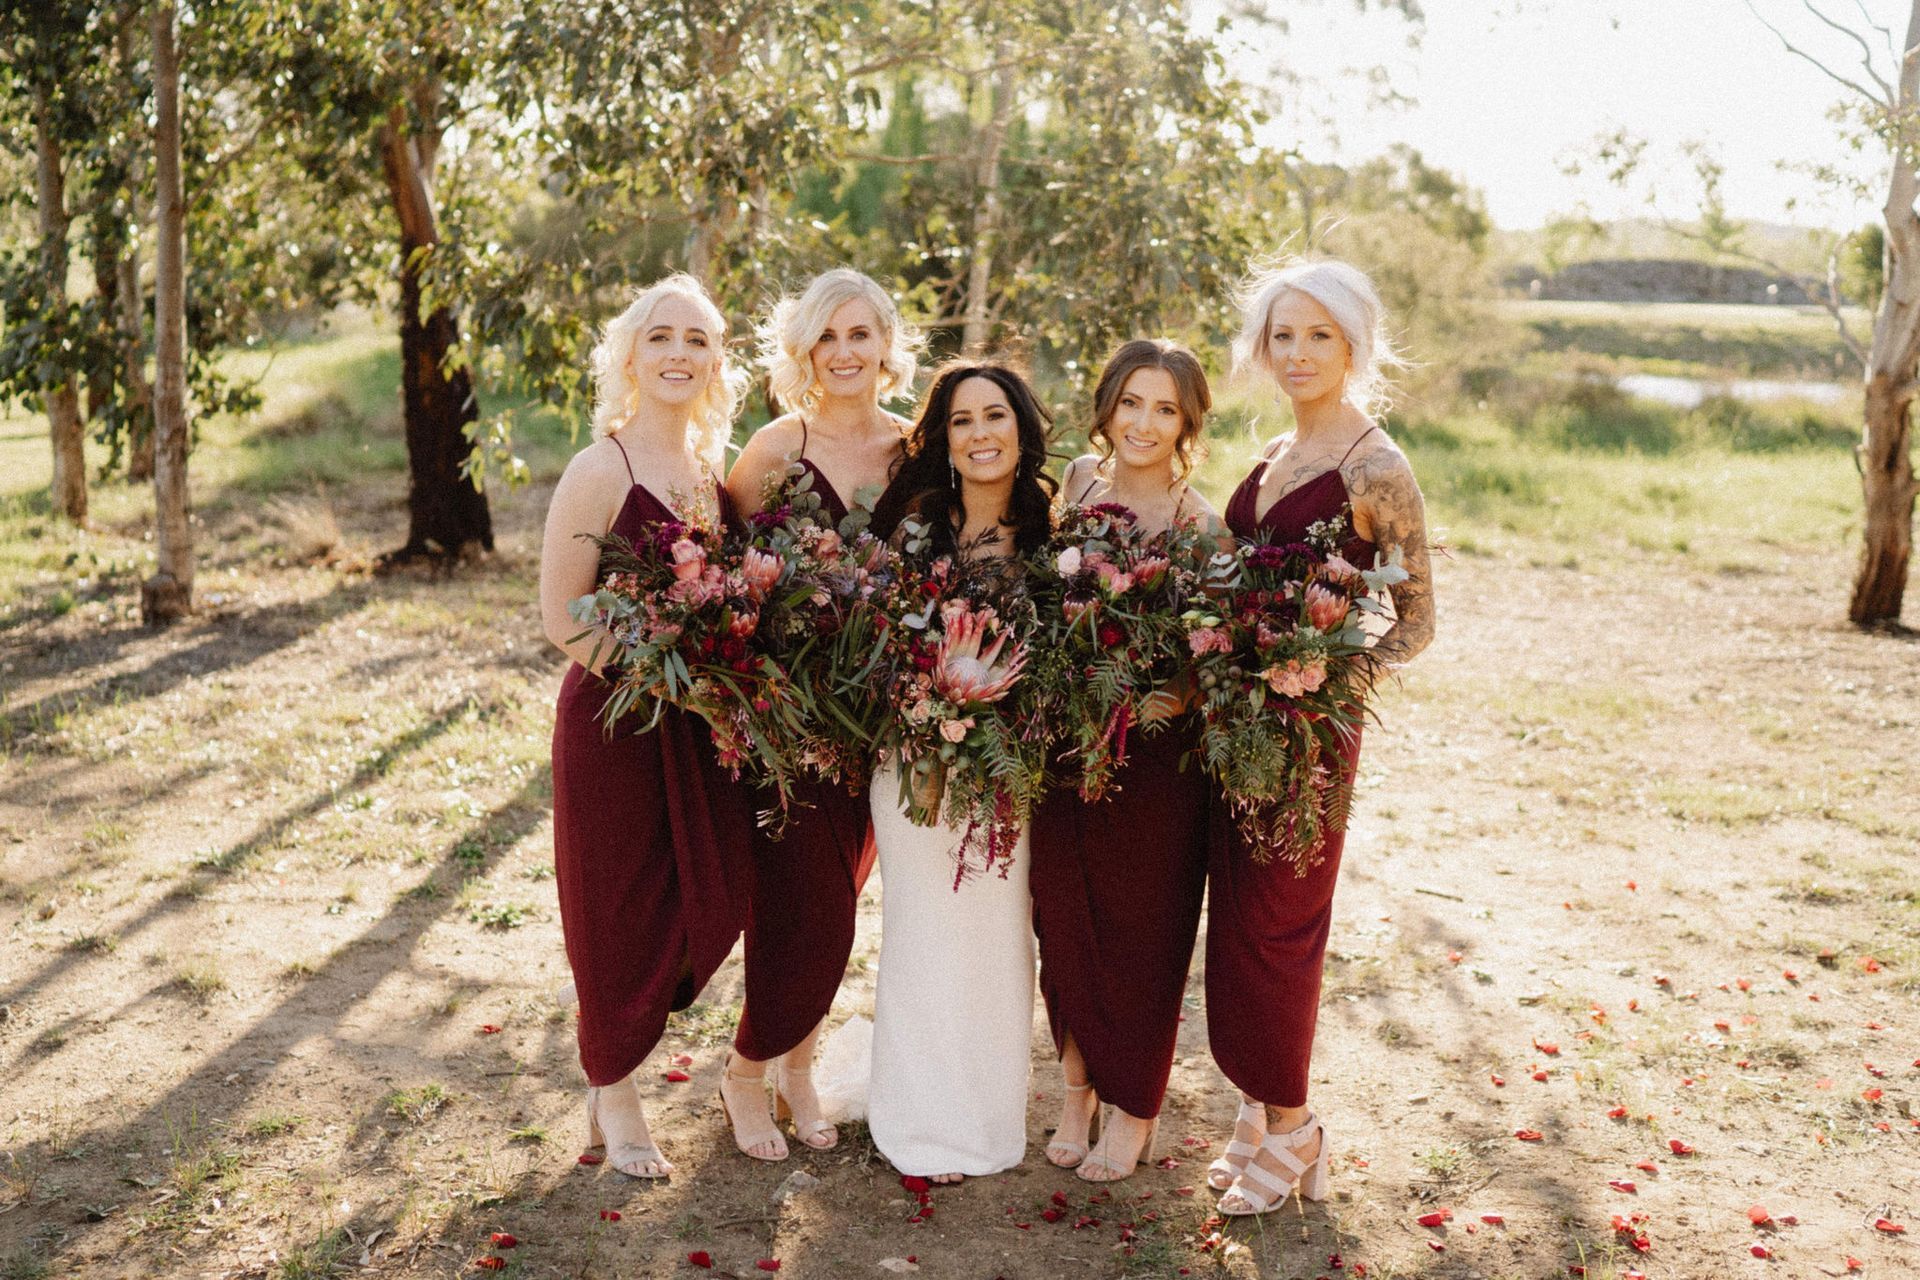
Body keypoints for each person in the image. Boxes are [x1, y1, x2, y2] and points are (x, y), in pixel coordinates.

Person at [1205, 257, 1436, 1216]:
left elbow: (1416, 622)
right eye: (1283, 335)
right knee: (1238, 917)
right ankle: (1259, 1114)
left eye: (1319, 337)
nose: (1297, 354)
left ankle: (1296, 1126)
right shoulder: (1273, 453)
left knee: (1280, 926)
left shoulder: (1376, 467)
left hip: (1306, 736)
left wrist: (1324, 684)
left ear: (1354, 344)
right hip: (1235, 726)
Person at [539, 274, 756, 1179]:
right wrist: (666, 682)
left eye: (698, 340)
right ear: (629, 355)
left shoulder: (717, 472)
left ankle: (619, 1055)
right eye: (661, 337)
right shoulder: (602, 468)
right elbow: (564, 617)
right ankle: (616, 1095)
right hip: (618, 720)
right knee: (615, 905)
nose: (679, 353)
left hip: (703, 726)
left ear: (717, 362)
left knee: (718, 893)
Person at [716, 269, 923, 1161]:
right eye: (827, 338)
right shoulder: (774, 447)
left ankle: (799, 1067)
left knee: (842, 901)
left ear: (886, 345)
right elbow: (727, 584)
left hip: (882, 722)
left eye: (860, 335)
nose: (845, 353)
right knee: (801, 907)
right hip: (792, 723)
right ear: (804, 350)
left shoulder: (919, 449)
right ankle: (745, 1072)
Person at [1029, 339, 1222, 1182]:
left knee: (1143, 931)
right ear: (1107, 406)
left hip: (1152, 758)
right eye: (1131, 403)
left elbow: (1212, 651)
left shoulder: (1200, 522)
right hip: (1065, 745)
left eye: (1165, 409)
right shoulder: (1077, 485)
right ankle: (1076, 1089)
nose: (1144, 423)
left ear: (1187, 423)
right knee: (1061, 917)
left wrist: (1164, 694)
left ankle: (1135, 1106)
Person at [864, 361, 1058, 1184]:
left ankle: (981, 1114)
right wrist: (920, 712)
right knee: (922, 932)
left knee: (994, 938)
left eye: (996, 418)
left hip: (1006, 770)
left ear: (1021, 432)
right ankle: (916, 1117)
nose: (981, 435)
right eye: (962, 421)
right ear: (942, 439)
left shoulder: (1056, 530)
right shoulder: (914, 526)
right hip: (913, 763)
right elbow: (868, 646)